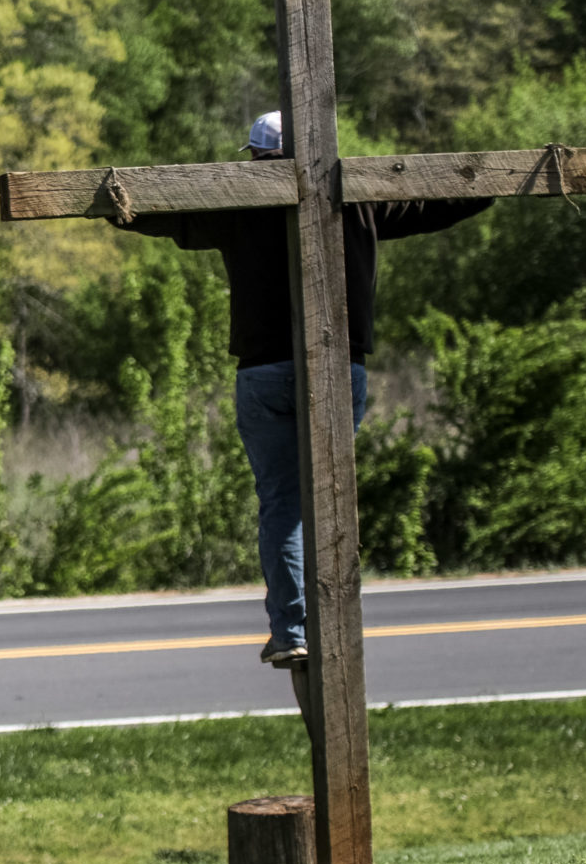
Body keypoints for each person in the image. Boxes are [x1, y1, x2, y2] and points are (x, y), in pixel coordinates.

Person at [111, 111, 486, 732]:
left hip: (265, 372)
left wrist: (111, 206)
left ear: (257, 156)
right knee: (330, 500)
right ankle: (330, 622)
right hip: (339, 367)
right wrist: (496, 184)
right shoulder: (355, 197)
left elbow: (166, 213)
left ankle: (293, 630)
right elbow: (438, 203)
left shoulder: (238, 201)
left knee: (284, 504)